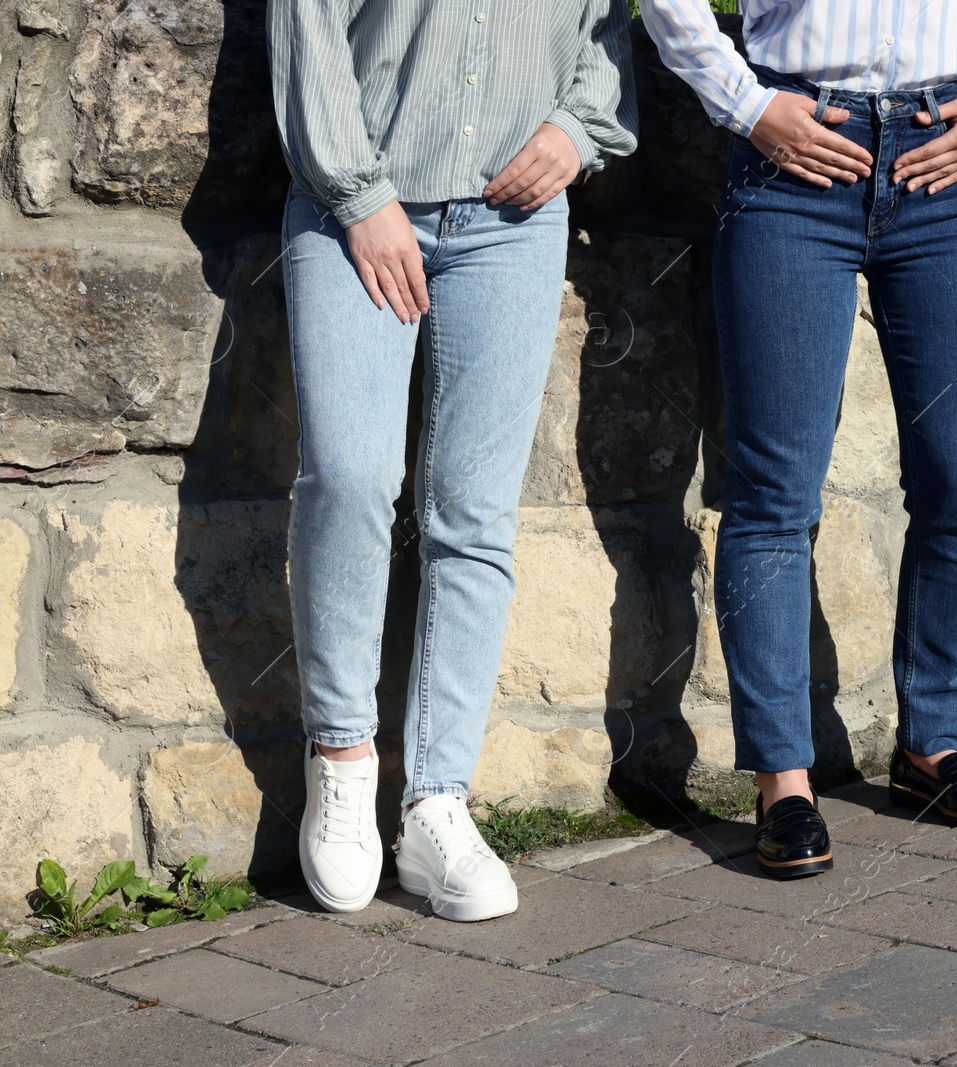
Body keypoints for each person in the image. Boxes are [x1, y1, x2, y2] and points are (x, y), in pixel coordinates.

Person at [638, 0, 957, 877]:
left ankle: (930, 747)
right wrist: (747, 106)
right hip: (796, 156)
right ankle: (783, 780)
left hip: (950, 159)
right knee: (773, 492)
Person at [269, 0, 638, 920]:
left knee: (472, 514)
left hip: (514, 223)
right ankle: (344, 758)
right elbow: (306, 30)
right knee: (350, 478)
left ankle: (438, 800)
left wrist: (573, 128)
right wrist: (360, 198)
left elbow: (613, 29)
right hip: (352, 206)